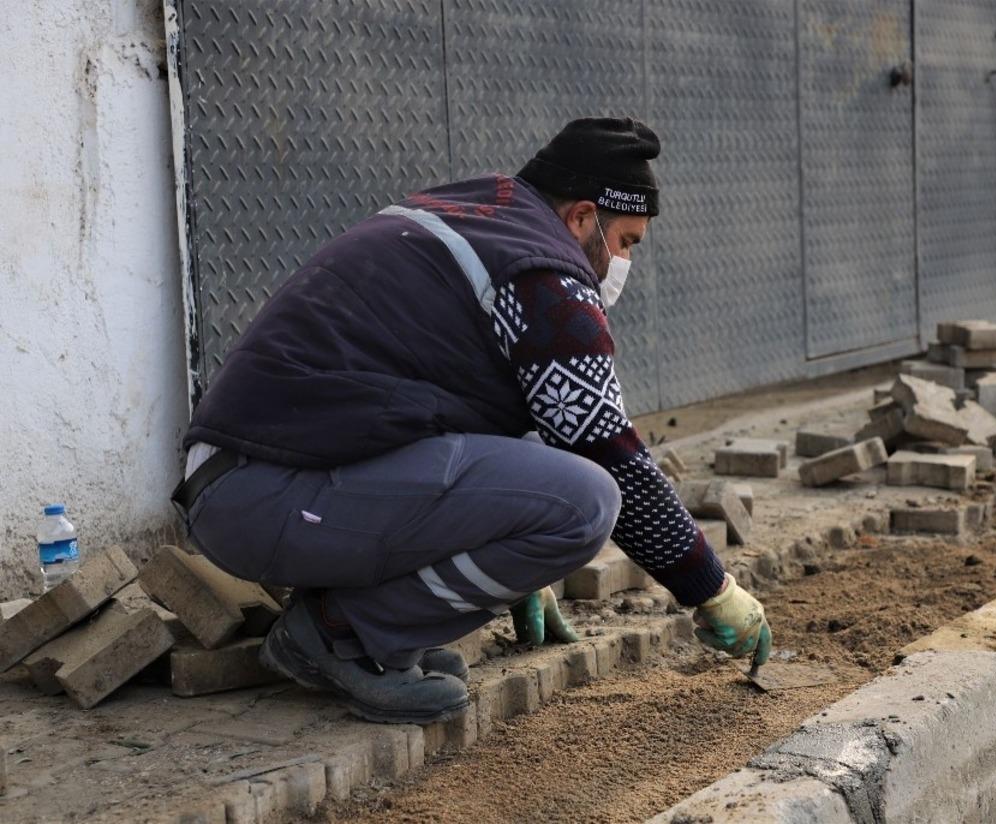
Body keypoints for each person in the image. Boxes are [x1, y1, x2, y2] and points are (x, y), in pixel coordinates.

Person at [170, 117, 772, 724]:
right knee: (586, 500)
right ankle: (333, 632)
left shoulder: (486, 212)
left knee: (557, 483)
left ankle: (367, 624)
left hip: (253, 478)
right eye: (626, 241)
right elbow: (605, 449)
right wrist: (712, 589)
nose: (623, 262)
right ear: (583, 217)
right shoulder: (545, 279)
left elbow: (454, 407)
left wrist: (504, 549)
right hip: (263, 495)